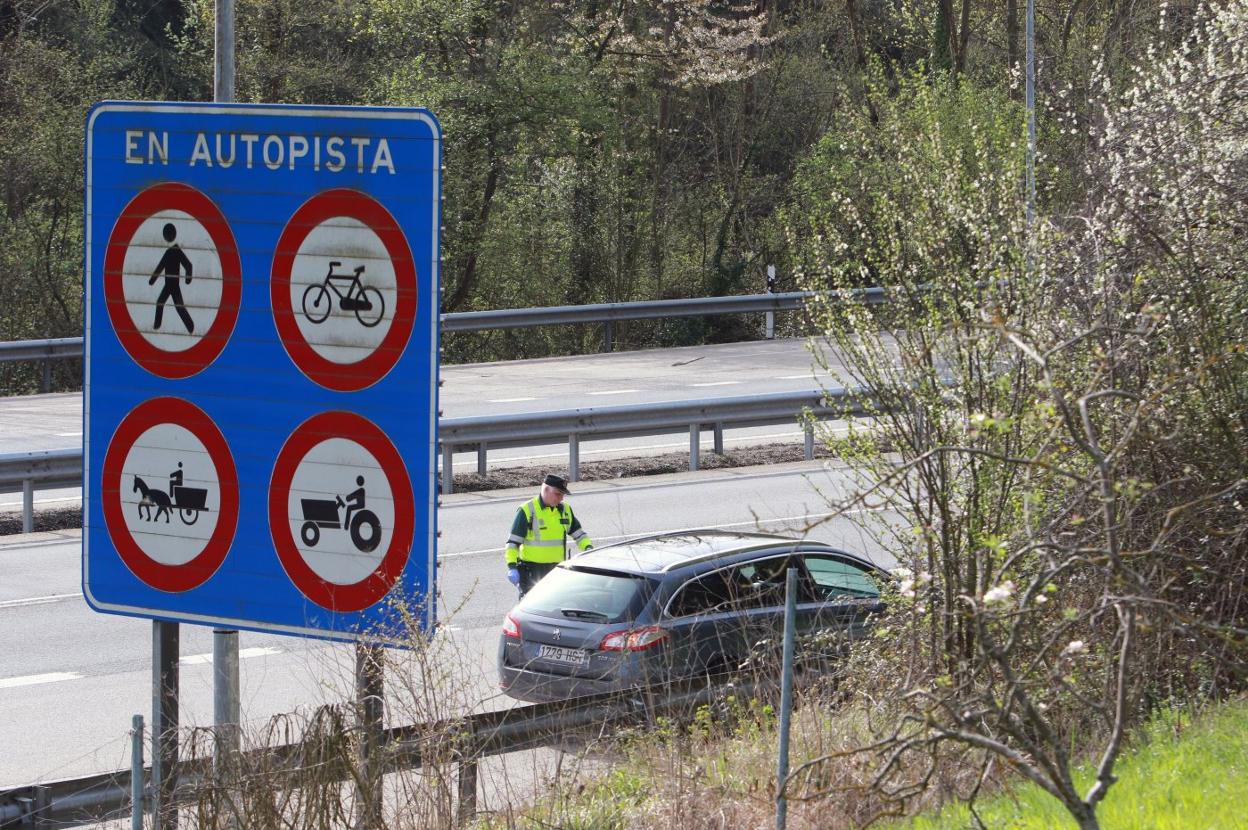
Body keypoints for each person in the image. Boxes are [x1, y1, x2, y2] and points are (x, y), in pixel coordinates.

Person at [505, 474, 593, 596]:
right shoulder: (527, 510)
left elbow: (579, 535)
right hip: (532, 572)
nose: (561, 498)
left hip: (557, 571)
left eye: (563, 495)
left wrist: (588, 549)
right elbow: (513, 543)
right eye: (558, 494)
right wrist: (512, 567)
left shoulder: (565, 510)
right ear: (546, 490)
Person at [150, 222, 194, 333]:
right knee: (161, 303)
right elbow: (160, 267)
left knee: (178, 307)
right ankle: (157, 325)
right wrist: (152, 280)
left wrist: (188, 279)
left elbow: (188, 265)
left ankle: (190, 326)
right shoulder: (168, 252)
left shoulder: (176, 251)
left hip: (173, 285)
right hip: (168, 284)